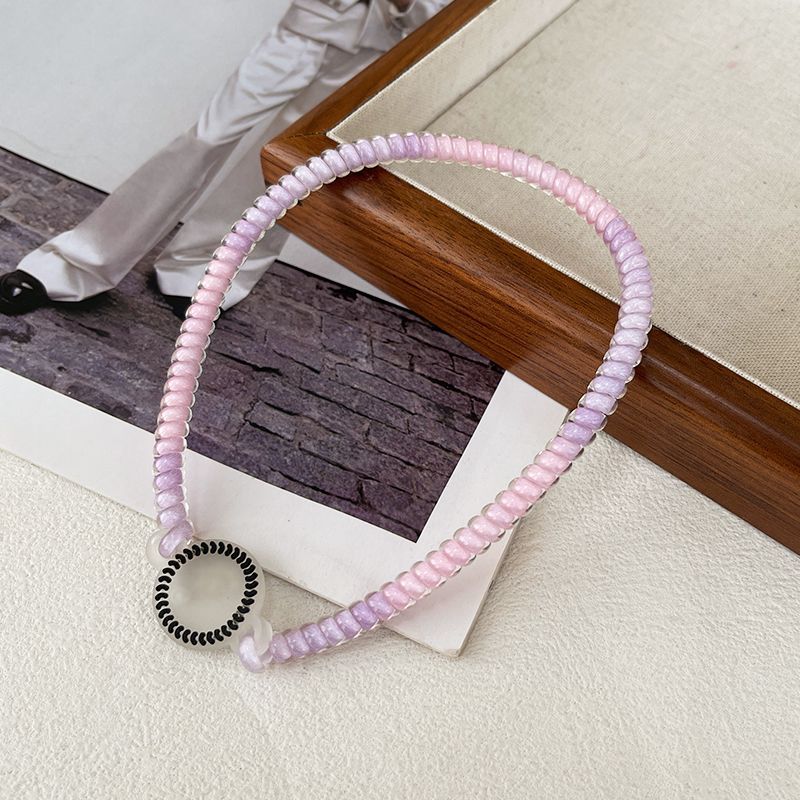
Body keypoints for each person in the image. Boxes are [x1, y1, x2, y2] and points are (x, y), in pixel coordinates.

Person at [0, 0, 449, 316]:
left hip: (381, 50)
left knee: (287, 168)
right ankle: (76, 263)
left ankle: (203, 272)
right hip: (310, 25)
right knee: (205, 138)